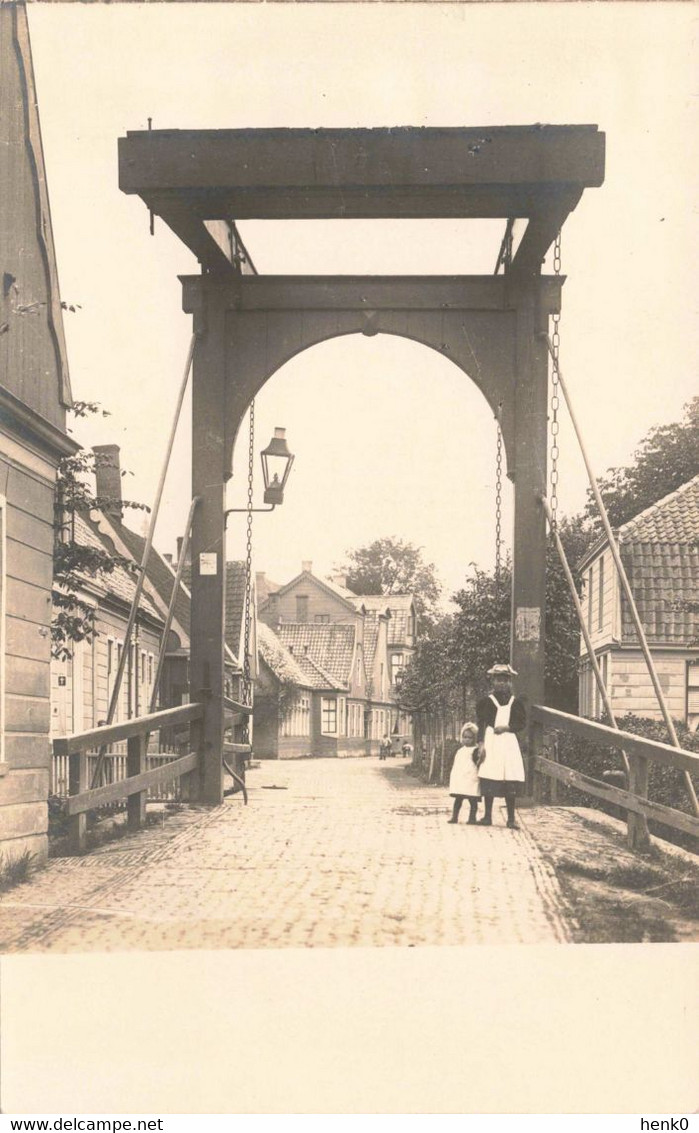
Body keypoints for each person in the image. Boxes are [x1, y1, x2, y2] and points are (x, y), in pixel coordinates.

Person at [476, 663, 526, 829]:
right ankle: (487, 816)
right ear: (493, 682)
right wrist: (481, 743)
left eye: (505, 680)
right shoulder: (486, 702)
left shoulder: (515, 703)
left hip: (508, 743)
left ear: (510, 682)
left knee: (509, 778)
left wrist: (507, 727)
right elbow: (481, 723)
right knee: (490, 776)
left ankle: (511, 818)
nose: (501, 684)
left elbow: (521, 723)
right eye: (498, 680)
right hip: (492, 742)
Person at [447, 722, 481, 825]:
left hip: (471, 777)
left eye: (470, 738)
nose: (466, 739)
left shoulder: (476, 750)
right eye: (465, 737)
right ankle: (454, 816)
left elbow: (477, 763)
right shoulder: (460, 750)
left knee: (472, 799)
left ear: (474, 738)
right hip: (461, 777)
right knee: (458, 799)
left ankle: (472, 818)